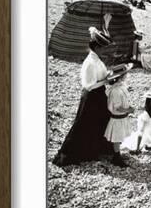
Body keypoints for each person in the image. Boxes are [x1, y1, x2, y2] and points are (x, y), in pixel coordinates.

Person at [52, 28, 115, 166]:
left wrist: (110, 75)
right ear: (97, 47)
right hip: (91, 97)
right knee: (83, 125)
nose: (104, 51)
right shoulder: (90, 62)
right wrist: (106, 81)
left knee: (99, 122)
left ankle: (95, 150)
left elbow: (101, 76)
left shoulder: (97, 59)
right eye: (103, 48)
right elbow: (89, 85)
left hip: (99, 95)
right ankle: (69, 155)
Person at [103, 64, 134, 167]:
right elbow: (117, 108)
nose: (127, 76)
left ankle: (117, 154)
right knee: (116, 138)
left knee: (120, 137)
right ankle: (116, 157)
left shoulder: (120, 87)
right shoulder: (115, 91)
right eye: (125, 74)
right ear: (121, 77)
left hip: (122, 117)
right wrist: (128, 110)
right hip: (117, 118)